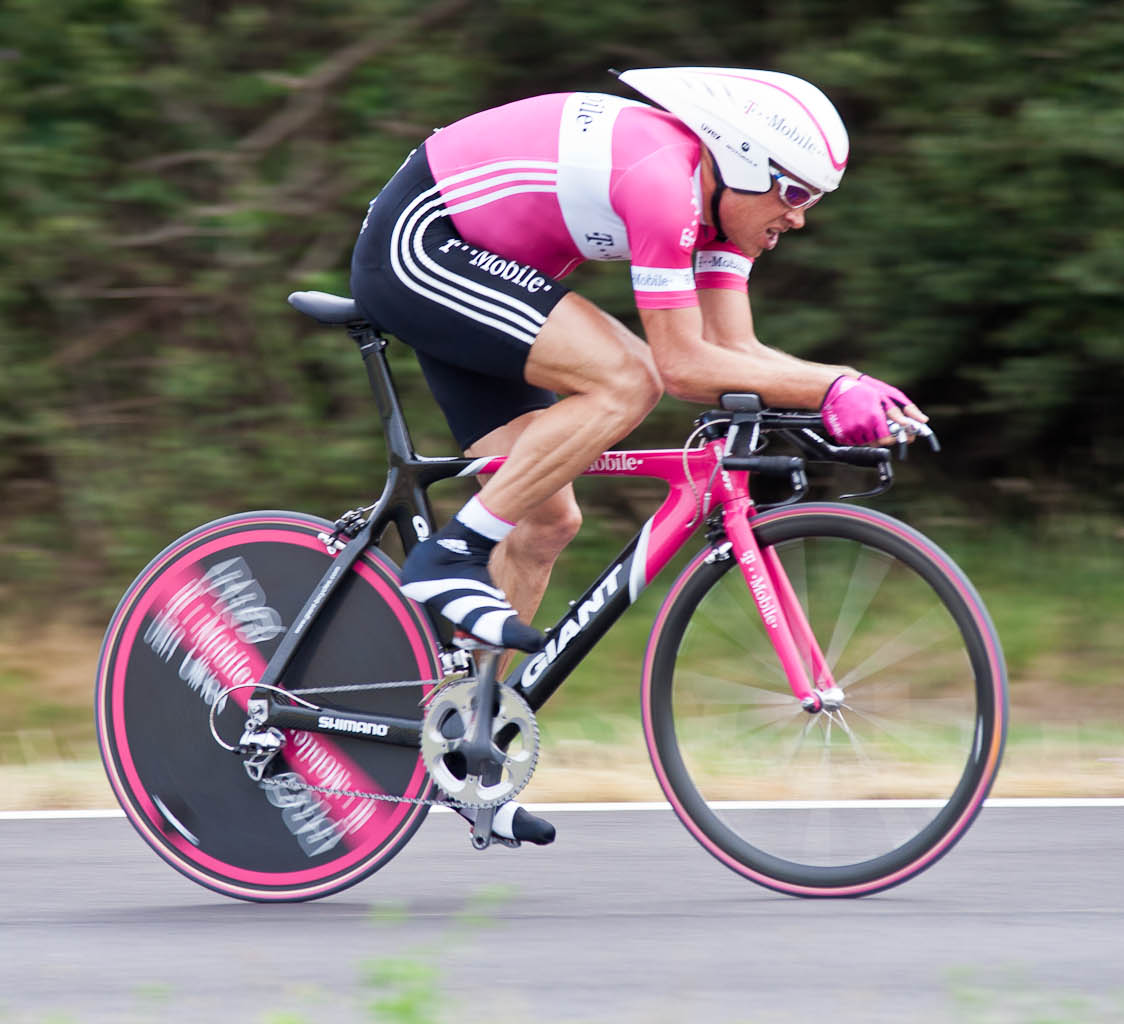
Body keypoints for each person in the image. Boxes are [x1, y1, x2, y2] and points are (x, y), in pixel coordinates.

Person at [349, 67, 928, 845]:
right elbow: (683, 368)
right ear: (745, 163)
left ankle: (465, 747)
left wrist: (827, 401)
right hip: (422, 246)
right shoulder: (662, 180)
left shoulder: (723, 221)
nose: (800, 220)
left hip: (488, 270)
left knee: (546, 519)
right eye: (793, 195)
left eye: (813, 202)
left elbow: (735, 352)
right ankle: (452, 553)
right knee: (627, 378)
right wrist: (837, 384)